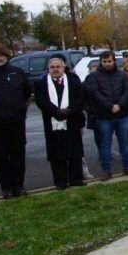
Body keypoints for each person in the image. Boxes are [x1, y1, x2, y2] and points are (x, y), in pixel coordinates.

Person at [0, 43, 31, 198]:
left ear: (7, 56)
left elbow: (27, 93)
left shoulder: (17, 72)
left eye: (1, 56)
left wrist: (19, 110)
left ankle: (19, 186)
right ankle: (6, 188)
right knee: (0, 157)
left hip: (16, 122)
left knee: (18, 155)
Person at [35, 56, 86, 190]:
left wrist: (68, 111)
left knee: (74, 152)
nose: (56, 69)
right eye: (52, 67)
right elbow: (41, 101)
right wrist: (56, 112)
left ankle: (76, 179)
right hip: (52, 122)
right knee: (56, 154)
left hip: (72, 120)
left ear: (63, 68)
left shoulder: (73, 81)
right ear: (48, 69)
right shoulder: (41, 83)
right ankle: (60, 181)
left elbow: (80, 98)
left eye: (58, 67)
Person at [85, 50, 128, 180]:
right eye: (104, 61)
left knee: (124, 142)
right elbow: (95, 94)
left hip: (122, 114)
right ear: (101, 62)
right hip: (104, 116)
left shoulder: (122, 75)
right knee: (105, 144)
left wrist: (119, 105)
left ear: (114, 61)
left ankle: (127, 167)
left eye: (109, 61)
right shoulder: (94, 76)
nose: (107, 64)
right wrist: (110, 106)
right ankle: (106, 170)